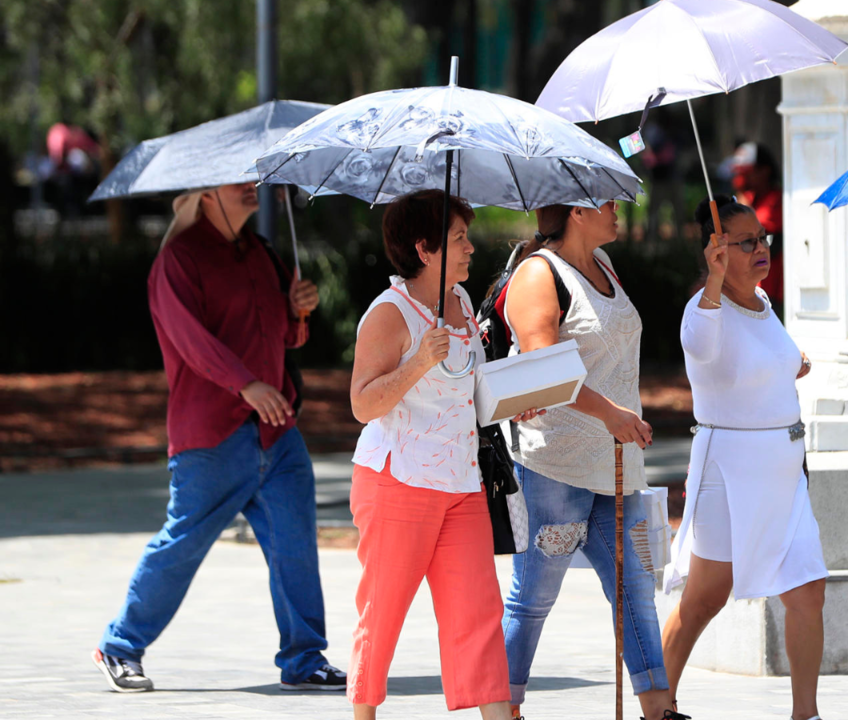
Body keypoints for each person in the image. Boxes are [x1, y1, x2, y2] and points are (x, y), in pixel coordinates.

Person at [94, 182, 343, 693]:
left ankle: (304, 659)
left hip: (278, 433)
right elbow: (190, 342)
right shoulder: (177, 261)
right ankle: (119, 646)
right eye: (238, 182)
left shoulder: (261, 253)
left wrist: (297, 309)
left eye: (255, 180)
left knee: (295, 545)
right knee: (181, 545)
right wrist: (244, 383)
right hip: (210, 435)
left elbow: (284, 335)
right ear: (206, 193)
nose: (253, 189)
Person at [347, 190, 540, 719]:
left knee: (478, 615)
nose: (471, 248)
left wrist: (511, 404)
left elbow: (468, 392)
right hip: (398, 484)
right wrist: (417, 362)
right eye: (458, 239)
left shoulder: (458, 300)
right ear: (424, 248)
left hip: (461, 484)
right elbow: (363, 403)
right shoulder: (389, 314)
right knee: (382, 612)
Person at [501, 201, 683, 720]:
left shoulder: (604, 267)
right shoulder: (538, 273)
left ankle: (658, 710)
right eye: (605, 201)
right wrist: (609, 414)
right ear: (577, 211)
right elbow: (542, 369)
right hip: (554, 465)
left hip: (616, 464)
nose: (618, 209)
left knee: (634, 591)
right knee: (534, 595)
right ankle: (503, 708)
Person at [661, 196, 827, 720]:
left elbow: (761, 361)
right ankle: (656, 705)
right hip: (729, 473)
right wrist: (712, 282)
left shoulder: (763, 302)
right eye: (747, 241)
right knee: (704, 599)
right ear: (716, 251)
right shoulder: (701, 310)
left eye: (763, 238)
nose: (761, 248)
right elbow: (701, 346)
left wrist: (791, 366)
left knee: (807, 588)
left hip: (783, 473)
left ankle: (807, 714)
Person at [727, 141, 783, 308]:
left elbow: (761, 238)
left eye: (748, 173)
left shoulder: (777, 200)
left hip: (771, 287)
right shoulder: (748, 198)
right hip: (747, 286)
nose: (742, 179)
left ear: (765, 171)